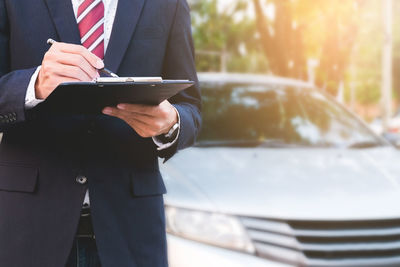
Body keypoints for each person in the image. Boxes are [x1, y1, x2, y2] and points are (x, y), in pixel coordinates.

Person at [0, 0, 201, 266]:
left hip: (132, 232)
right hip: (29, 228)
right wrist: (33, 85)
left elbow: (191, 108)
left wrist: (171, 123)